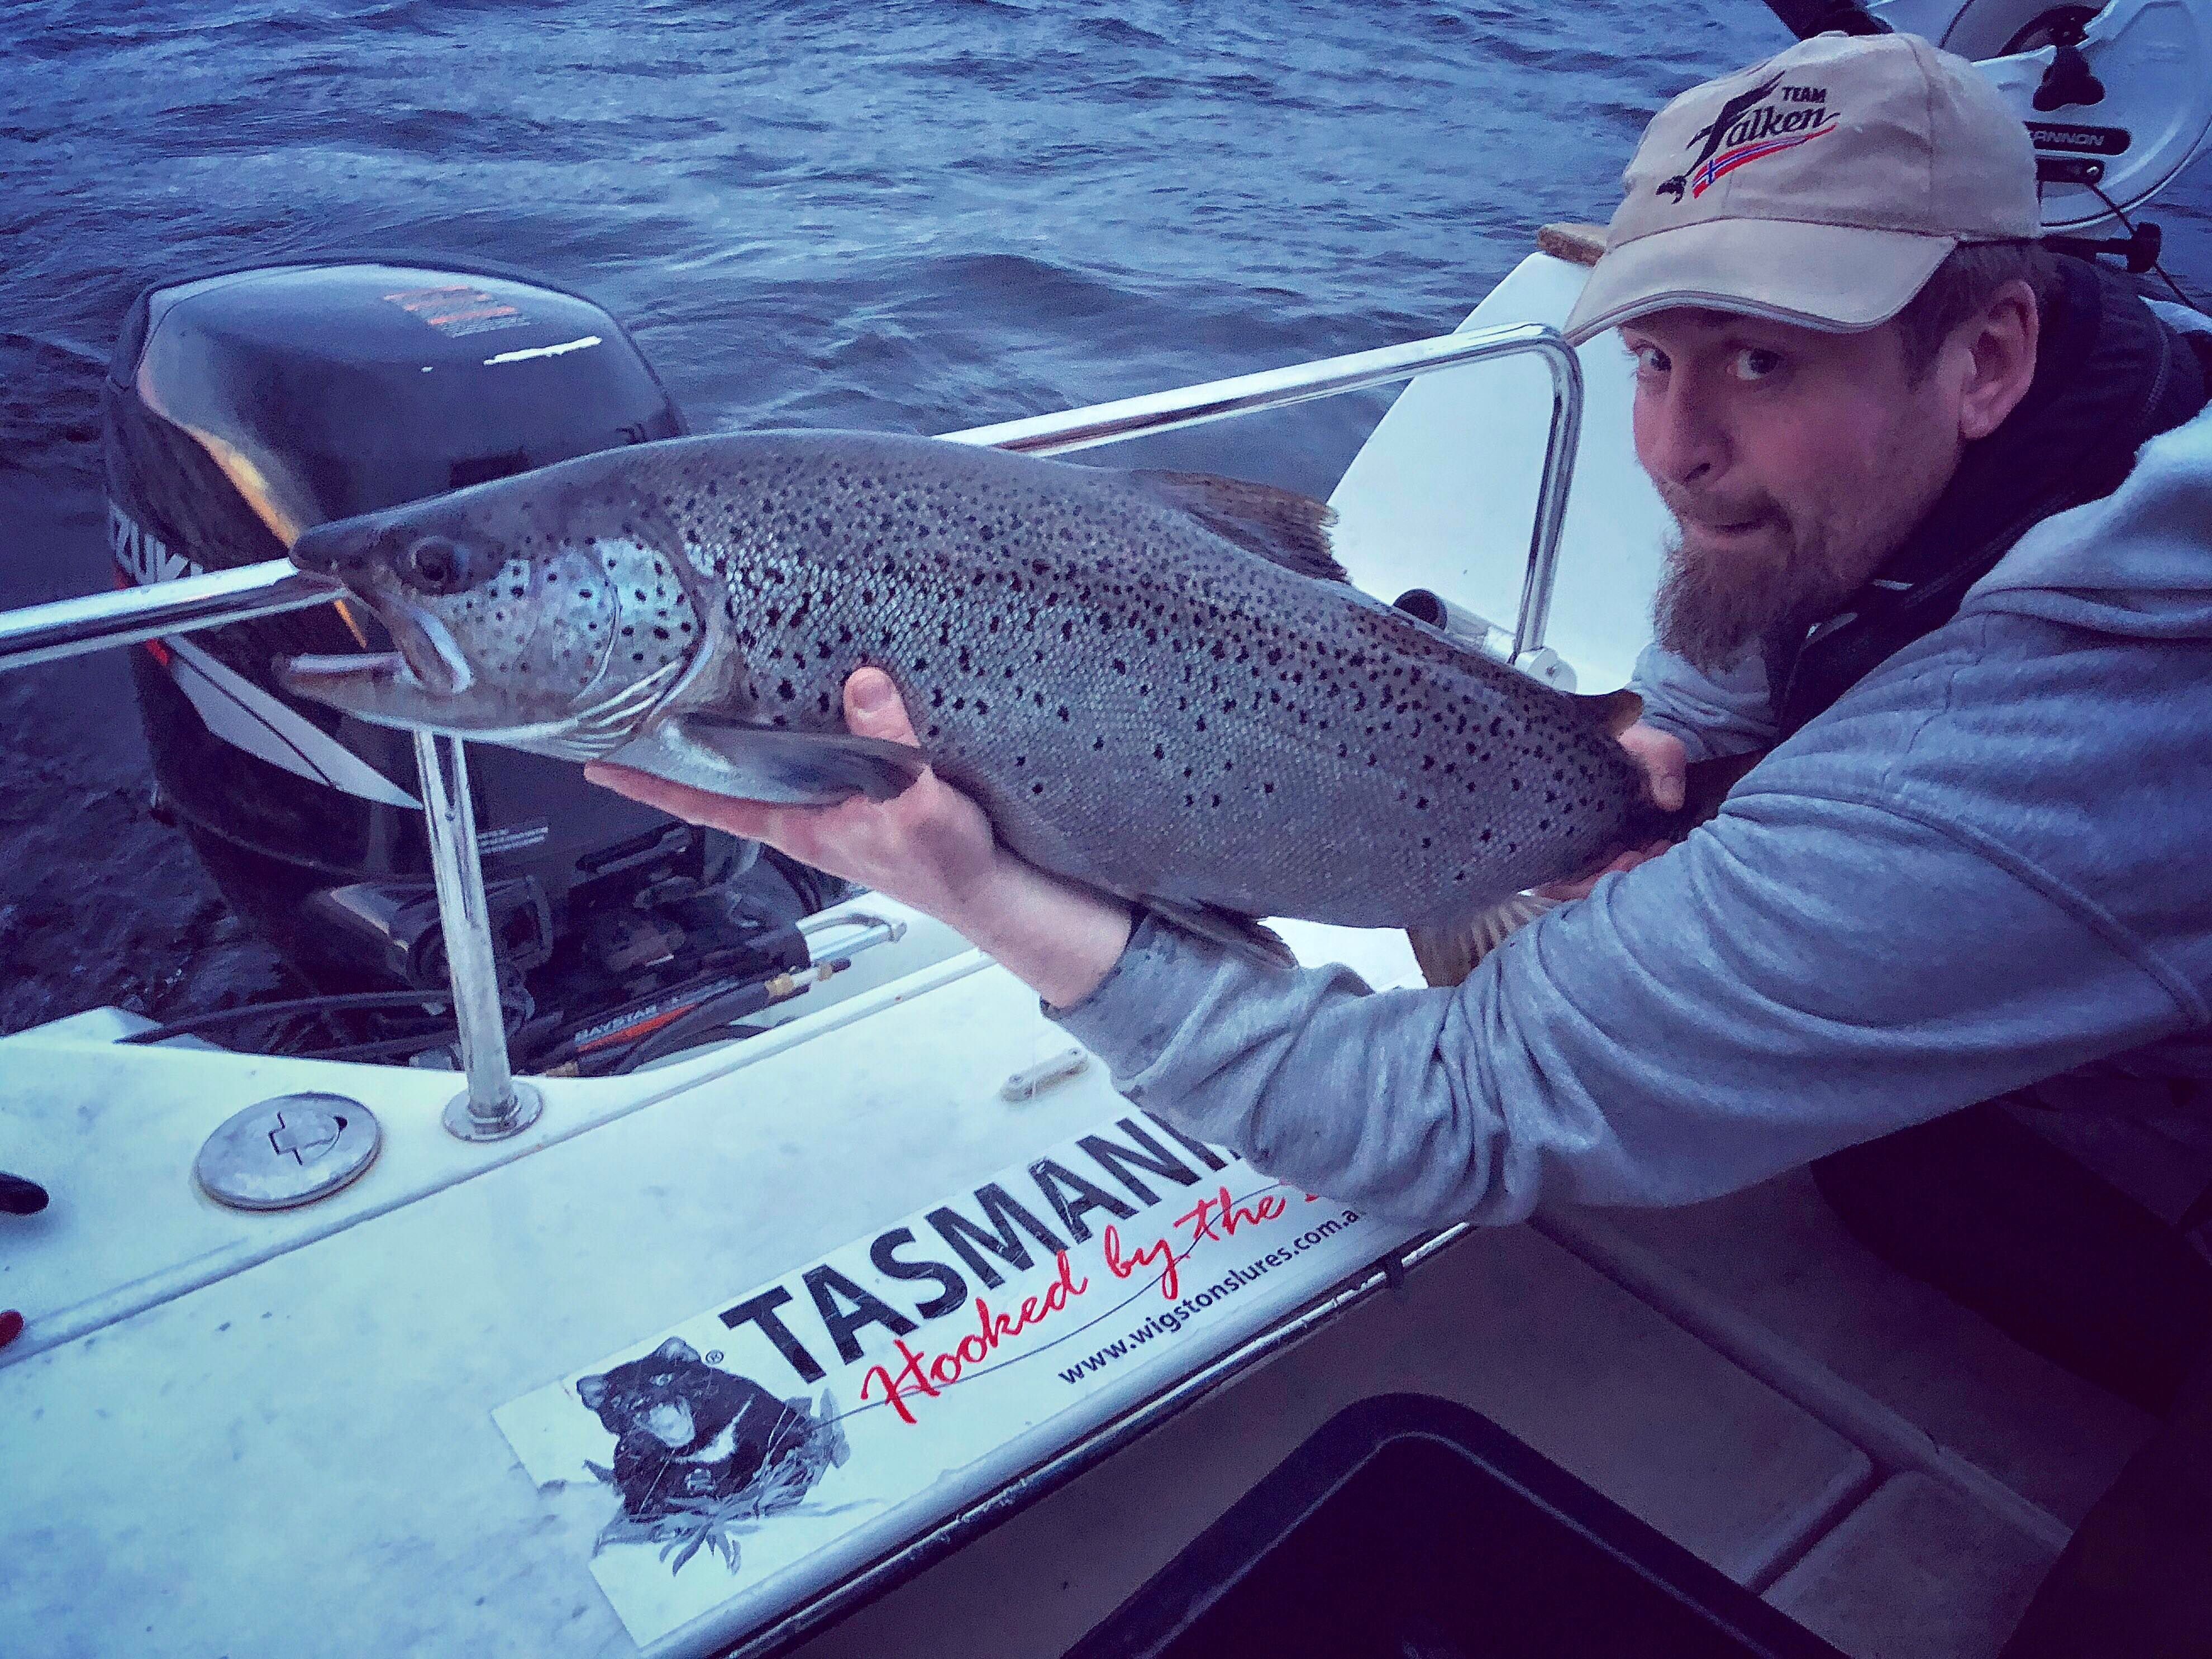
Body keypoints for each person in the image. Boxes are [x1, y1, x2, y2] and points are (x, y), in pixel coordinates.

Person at [591, 32, 2212, 1654]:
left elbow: (1453, 1113)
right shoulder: (2046, 430)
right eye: (1655, 358)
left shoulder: (2066, 726)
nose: (1676, 444)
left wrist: (982, 893)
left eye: (1764, 363)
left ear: (1988, 355)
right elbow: (1736, 633)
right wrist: (1666, 751)